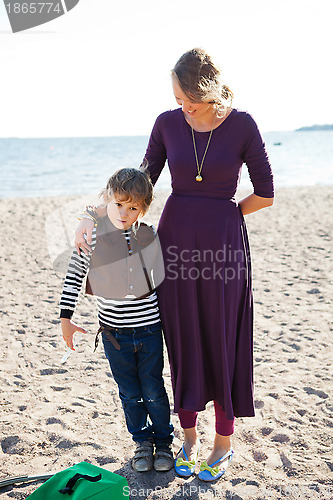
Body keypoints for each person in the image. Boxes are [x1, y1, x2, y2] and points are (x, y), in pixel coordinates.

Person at [75, 48, 274, 482]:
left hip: (222, 246)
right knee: (182, 338)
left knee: (222, 336)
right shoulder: (167, 123)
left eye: (189, 99)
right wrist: (90, 216)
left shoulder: (242, 125)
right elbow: (137, 182)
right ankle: (189, 440)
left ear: (208, 91)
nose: (182, 106)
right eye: (177, 97)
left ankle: (223, 443)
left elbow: (265, 192)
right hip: (176, 241)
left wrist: (224, 215)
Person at [60, 167, 174, 473]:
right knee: (129, 392)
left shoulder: (149, 234)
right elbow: (74, 274)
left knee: (153, 388)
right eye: (119, 204)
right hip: (114, 334)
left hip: (150, 330)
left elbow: (167, 281)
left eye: (133, 207)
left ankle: (163, 442)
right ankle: (140, 441)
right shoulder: (92, 235)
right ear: (107, 200)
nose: (124, 213)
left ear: (144, 208)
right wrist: (66, 318)